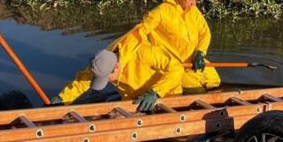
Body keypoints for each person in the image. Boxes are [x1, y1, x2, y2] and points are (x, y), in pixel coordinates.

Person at [50, 31, 183, 112]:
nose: (107, 82)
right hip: (134, 99)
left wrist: (156, 93)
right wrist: (62, 98)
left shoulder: (144, 53)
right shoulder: (103, 60)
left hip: (166, 94)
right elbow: (83, 80)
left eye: (107, 78)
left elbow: (176, 68)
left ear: (117, 67)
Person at [137, 0, 221, 94]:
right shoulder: (160, 12)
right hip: (176, 66)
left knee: (214, 81)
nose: (194, 4)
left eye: (196, 0)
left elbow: (205, 33)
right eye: (191, 0)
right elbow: (139, 32)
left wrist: (200, 52)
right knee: (197, 90)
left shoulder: (193, 11)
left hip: (192, 61)